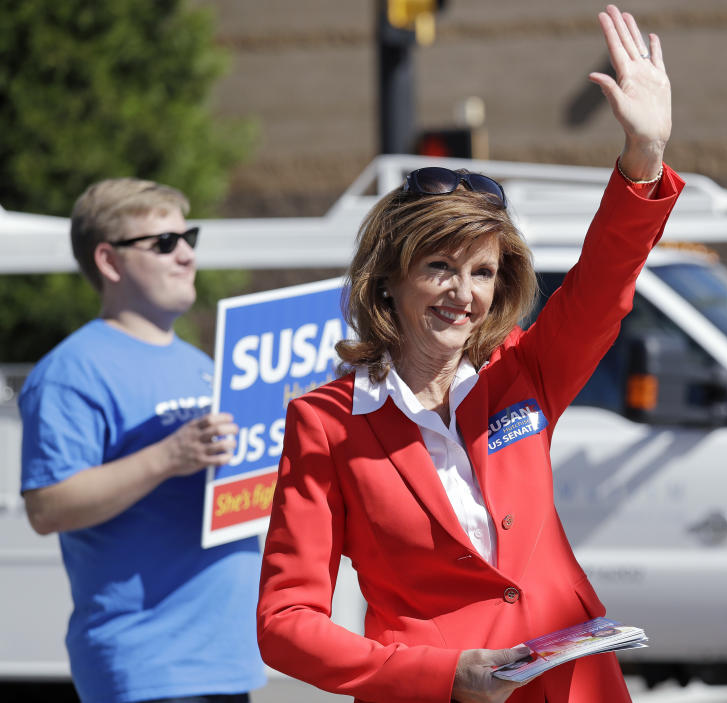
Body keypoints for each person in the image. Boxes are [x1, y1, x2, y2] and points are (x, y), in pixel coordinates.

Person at [257, 5, 682, 703]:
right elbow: (284, 622)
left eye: (482, 272)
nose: (463, 293)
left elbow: (605, 284)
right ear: (389, 280)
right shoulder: (325, 422)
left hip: (575, 688)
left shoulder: (524, 373)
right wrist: (440, 675)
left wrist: (645, 157)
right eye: (439, 268)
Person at [19, 178, 266, 703]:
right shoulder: (71, 371)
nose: (186, 256)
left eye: (188, 238)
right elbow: (47, 507)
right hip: (146, 664)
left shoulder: (204, 367)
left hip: (229, 660)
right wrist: (168, 456)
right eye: (163, 242)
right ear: (109, 261)